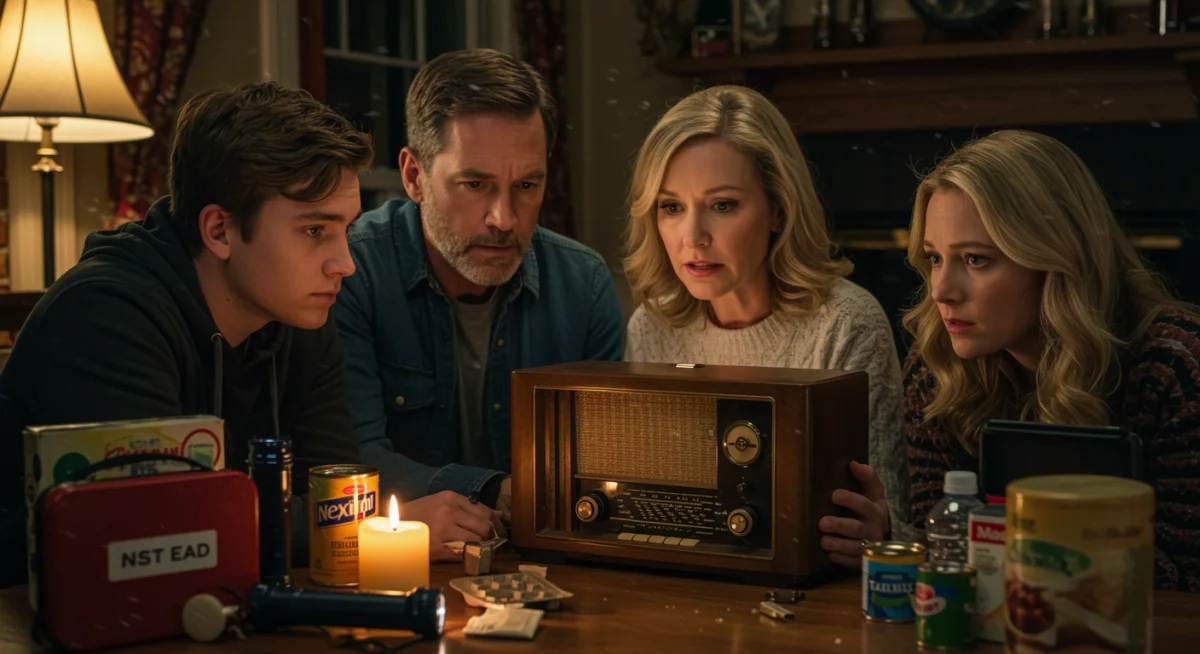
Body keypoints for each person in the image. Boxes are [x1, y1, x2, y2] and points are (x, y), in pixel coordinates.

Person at [0, 82, 373, 587]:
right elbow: (162, 534)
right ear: (219, 230)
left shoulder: (297, 316)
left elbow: (335, 502)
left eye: (347, 229)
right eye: (314, 231)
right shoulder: (104, 316)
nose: (344, 264)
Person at [332, 48, 624, 557]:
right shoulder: (350, 272)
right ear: (414, 176)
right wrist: (492, 489)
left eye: (526, 186)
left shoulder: (584, 284)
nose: (504, 218)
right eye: (475, 184)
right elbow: (348, 460)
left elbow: (608, 467)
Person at [901, 129, 1200, 591]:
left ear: (1055, 258)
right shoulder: (937, 361)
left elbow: (1185, 579)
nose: (942, 291)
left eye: (976, 259)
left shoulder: (1175, 365)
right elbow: (939, 546)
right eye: (935, 258)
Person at [622, 85, 906, 569]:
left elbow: (886, 513)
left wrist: (882, 534)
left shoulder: (845, 323)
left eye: (723, 205)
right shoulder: (653, 325)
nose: (693, 237)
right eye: (672, 207)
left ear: (778, 208)